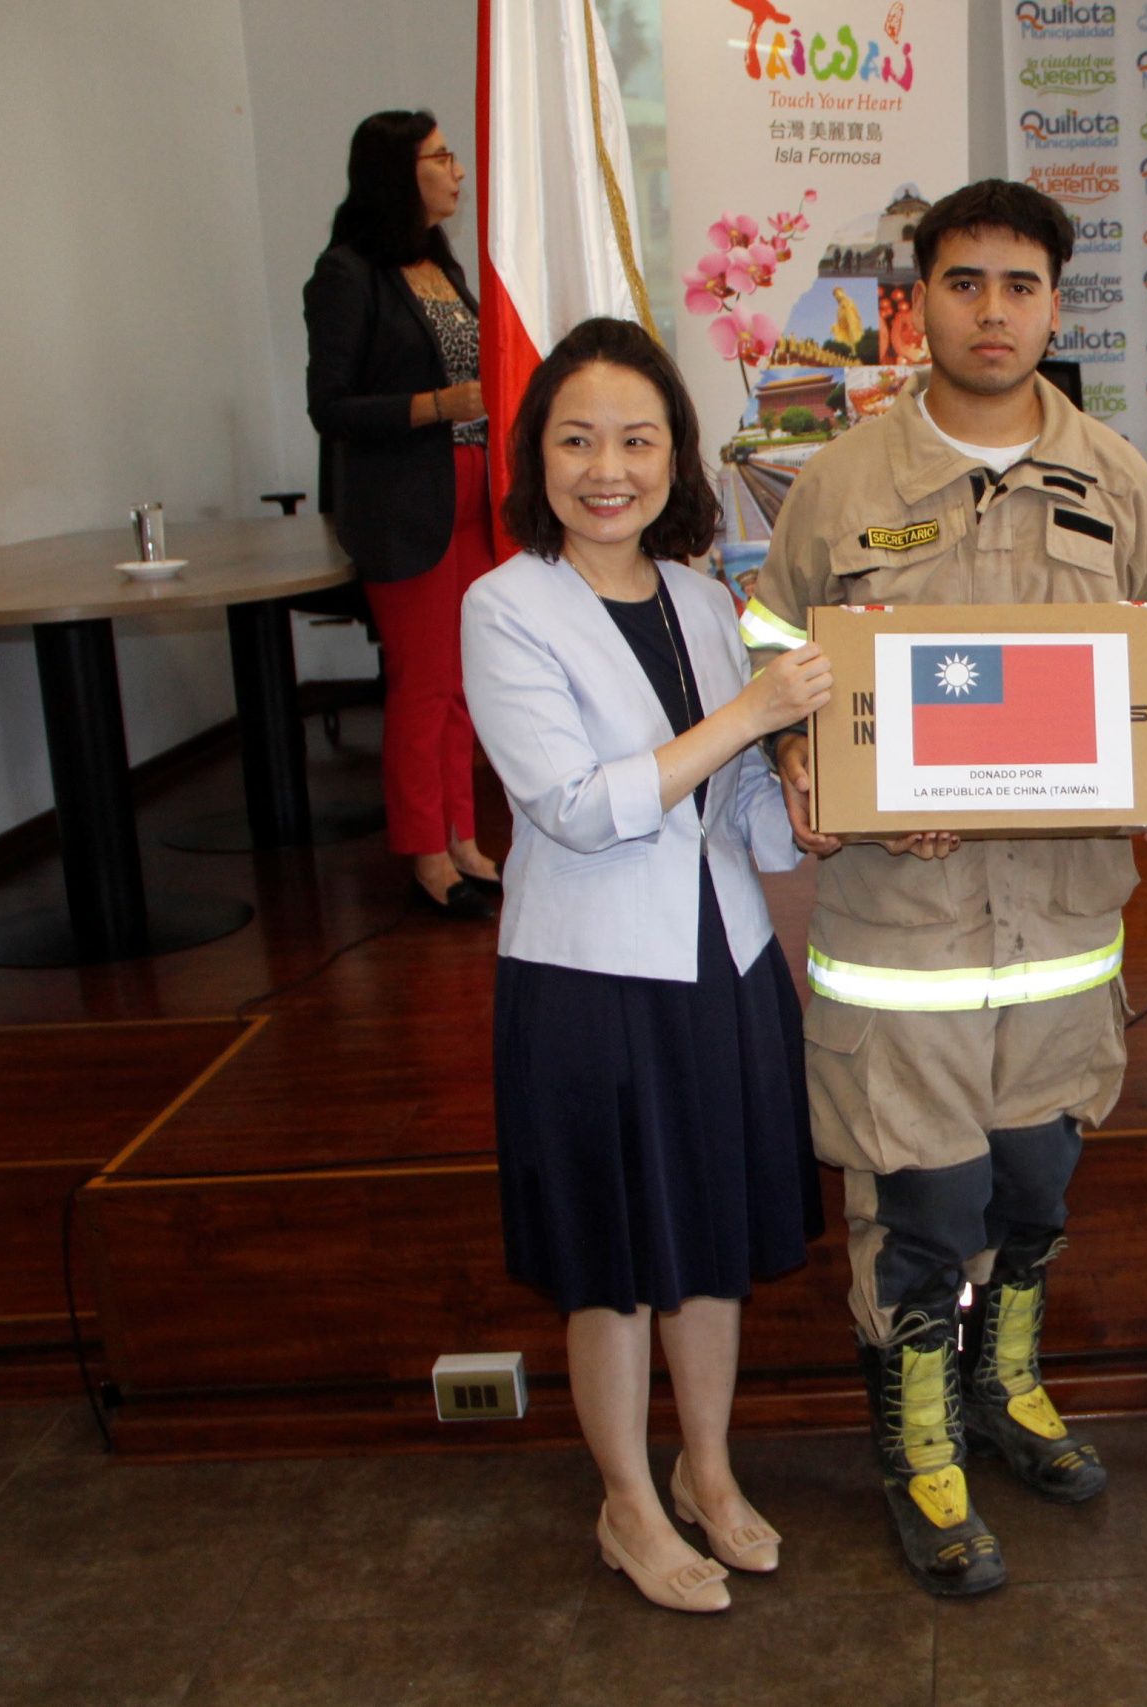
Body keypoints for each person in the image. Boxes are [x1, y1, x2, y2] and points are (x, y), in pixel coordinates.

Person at [738, 179, 1147, 1597]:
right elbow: (775, 660)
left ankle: (1009, 1389)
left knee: (1033, 1184)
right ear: (918, 303)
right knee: (922, 1203)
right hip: (905, 934)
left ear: (1055, 304)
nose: (993, 310)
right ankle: (923, 1445)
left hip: (1065, 926)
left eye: (1020, 284)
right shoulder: (837, 484)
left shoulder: (1116, 477)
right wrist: (809, 777)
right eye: (964, 282)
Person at [462, 317, 836, 1612]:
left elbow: (734, 808)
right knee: (616, 1255)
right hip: (588, 978)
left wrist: (813, 793)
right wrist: (751, 712)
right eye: (577, 439)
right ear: (537, 456)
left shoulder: (695, 595)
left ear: (677, 455)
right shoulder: (504, 606)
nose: (606, 467)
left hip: (722, 960)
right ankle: (627, 1497)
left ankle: (709, 1470)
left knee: (712, 1238)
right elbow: (572, 802)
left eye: (636, 438)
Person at [305, 109, 502, 918]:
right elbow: (332, 406)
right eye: (441, 157)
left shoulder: (441, 267)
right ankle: (425, 851)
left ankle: (462, 834)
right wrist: (437, 404)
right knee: (423, 684)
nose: (457, 171)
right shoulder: (347, 273)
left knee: (465, 683)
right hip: (404, 507)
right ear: (398, 173)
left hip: (472, 492)